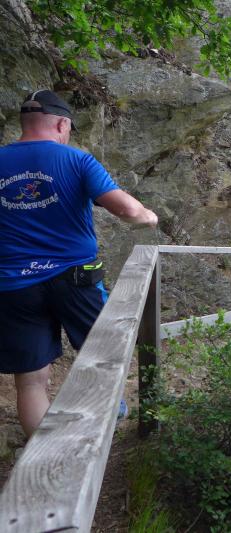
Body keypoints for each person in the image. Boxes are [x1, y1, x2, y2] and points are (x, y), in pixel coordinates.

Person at [0, 90, 158, 437]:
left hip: (13, 283)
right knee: (102, 353)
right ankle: (104, 422)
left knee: (30, 381)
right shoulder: (77, 160)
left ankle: (45, 460)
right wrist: (148, 216)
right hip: (74, 278)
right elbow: (126, 209)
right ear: (62, 124)